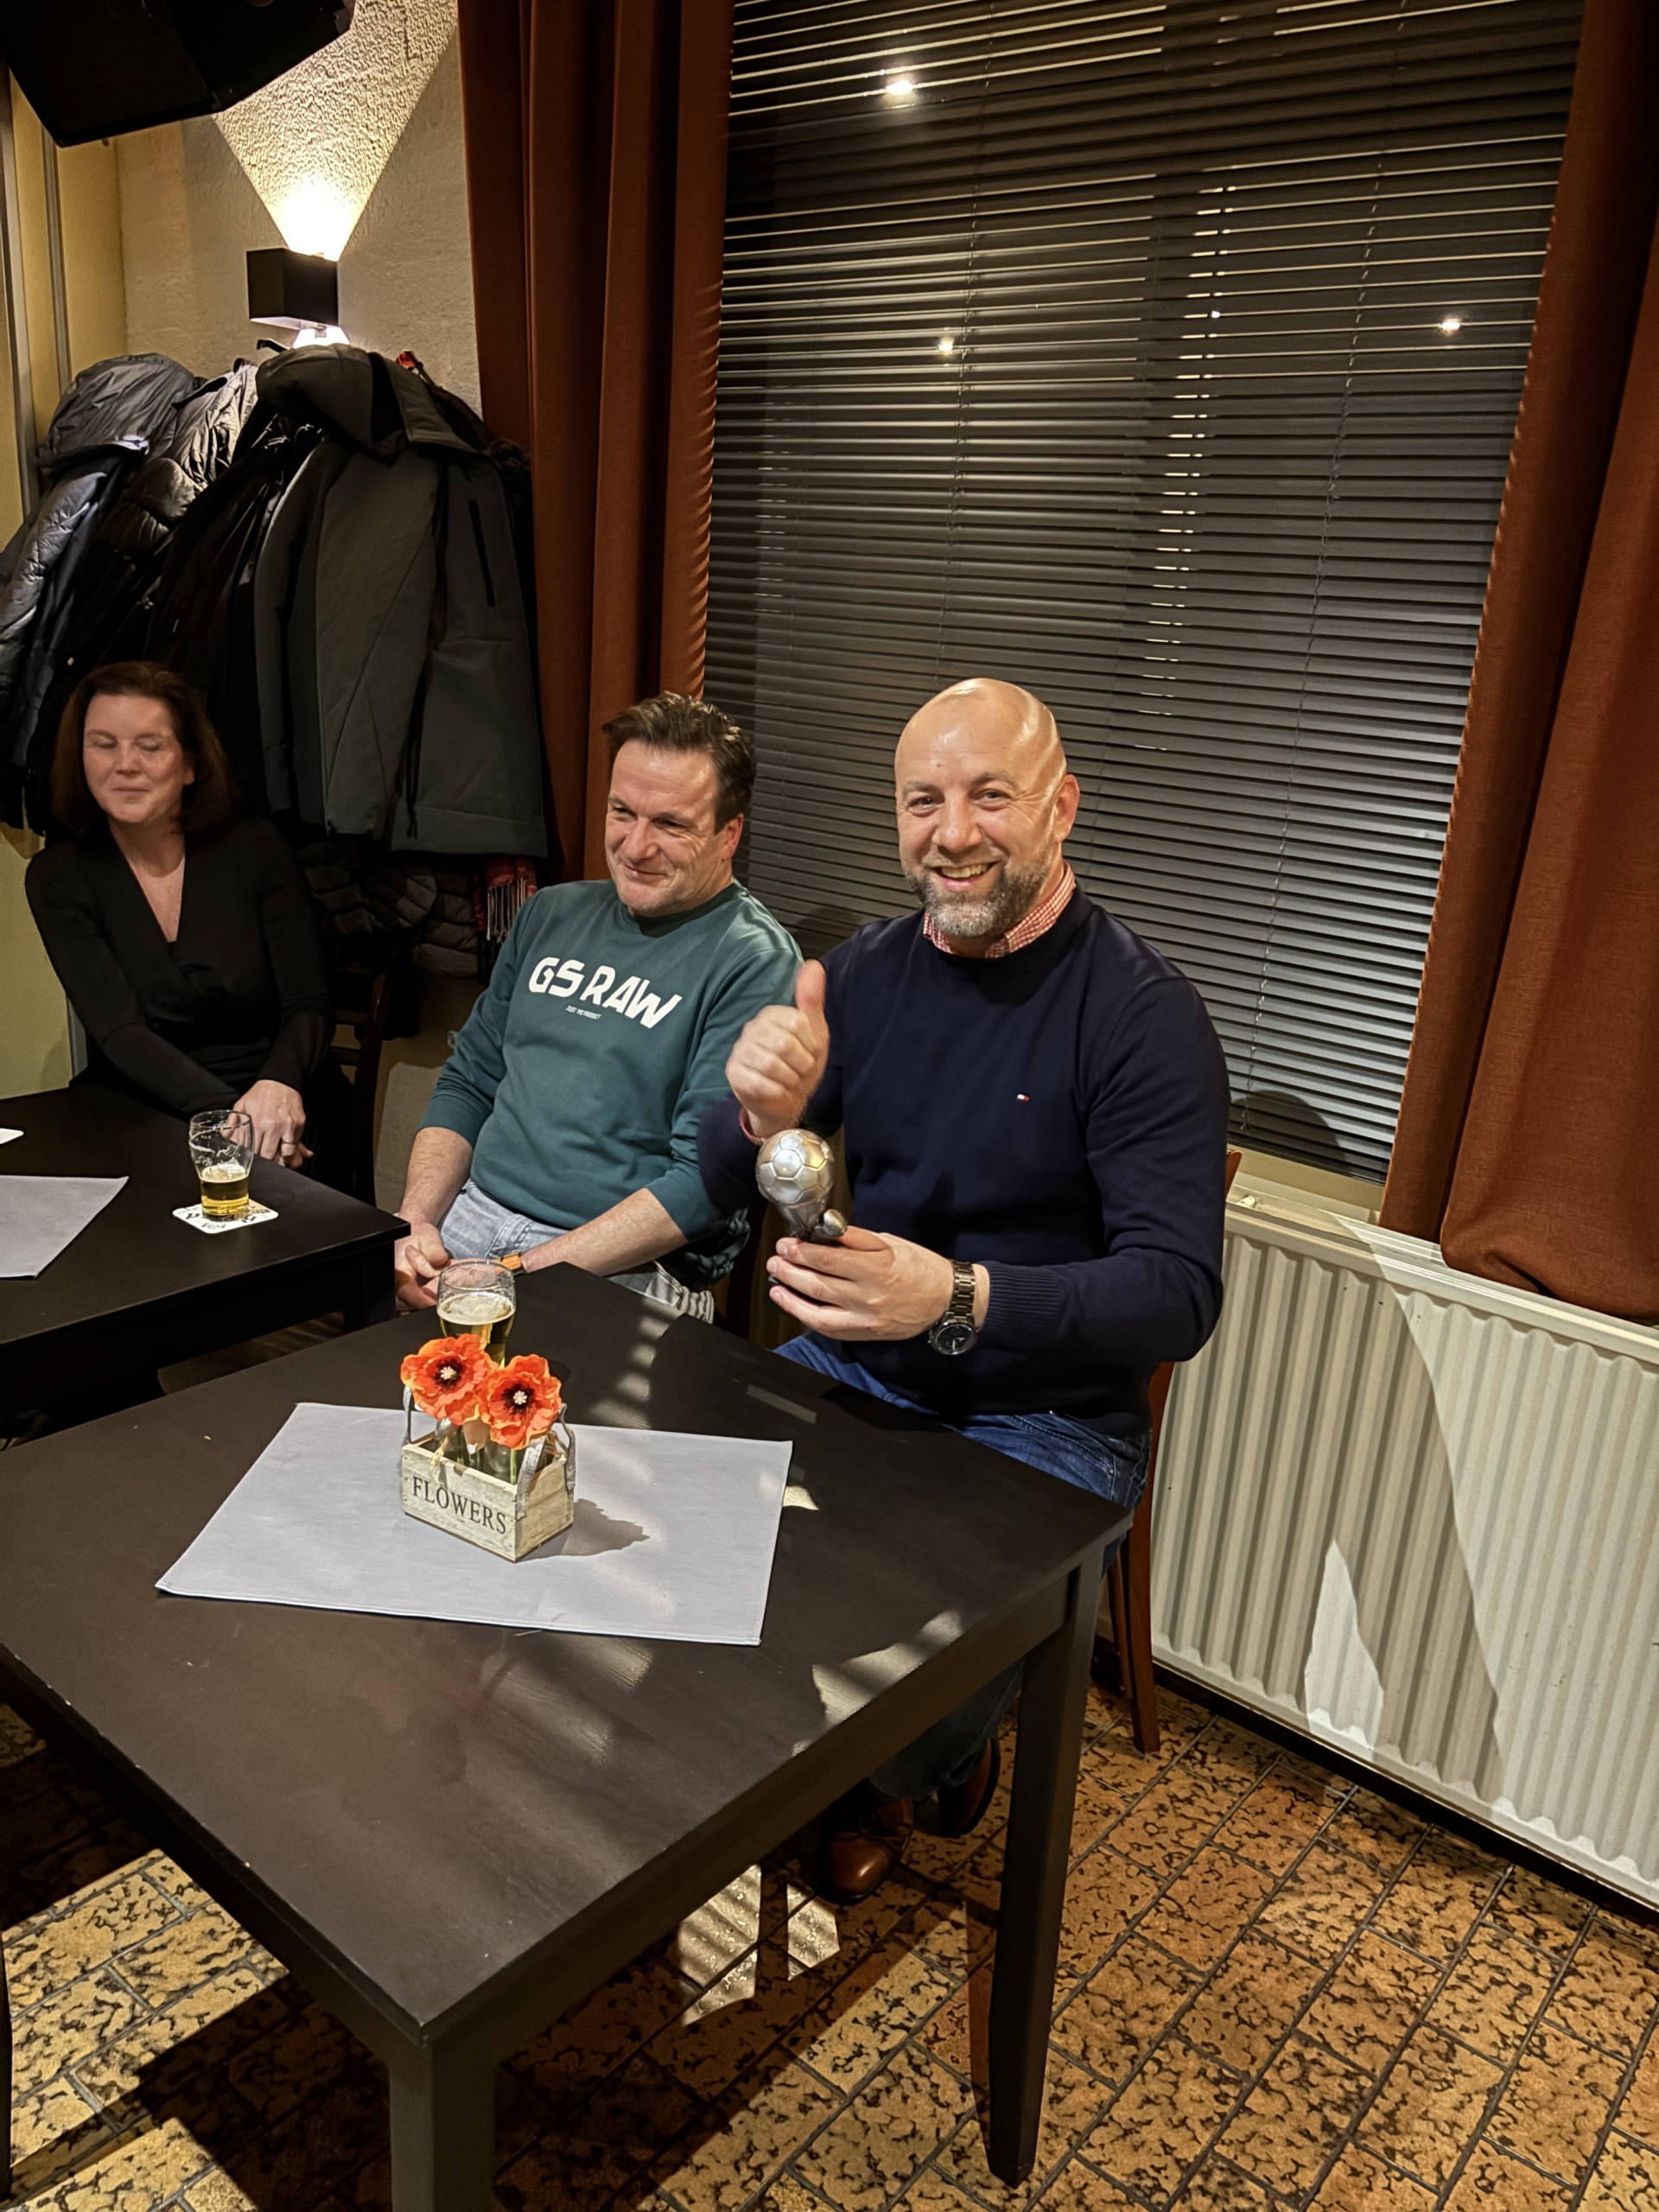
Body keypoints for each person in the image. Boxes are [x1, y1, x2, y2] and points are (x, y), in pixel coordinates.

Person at [699, 677, 1231, 1902]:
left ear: (1062, 806)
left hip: (1048, 1417)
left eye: (990, 795)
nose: (951, 834)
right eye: (921, 801)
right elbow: (731, 1176)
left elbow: (1177, 1297)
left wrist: (959, 1298)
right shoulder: (864, 974)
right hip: (856, 1366)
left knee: (900, 1701)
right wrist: (758, 1113)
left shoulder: (1143, 1016)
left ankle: (912, 1770)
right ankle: (793, 1762)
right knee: (679, 1551)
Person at [394, 693, 799, 1320]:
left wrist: (513, 1276)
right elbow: (469, 1083)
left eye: (670, 824)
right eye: (622, 812)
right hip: (465, 1222)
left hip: (619, 1265)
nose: (635, 847)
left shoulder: (755, 961)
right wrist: (414, 1225)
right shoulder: (549, 914)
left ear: (730, 835)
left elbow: (704, 1182)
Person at [26, 662, 351, 1179]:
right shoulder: (57, 876)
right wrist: (230, 1126)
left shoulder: (256, 848)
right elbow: (120, 1032)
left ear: (190, 765)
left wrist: (278, 1089)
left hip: (277, 1091)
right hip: (143, 1097)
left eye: (150, 746)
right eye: (103, 744)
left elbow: (307, 1001)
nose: (125, 765)